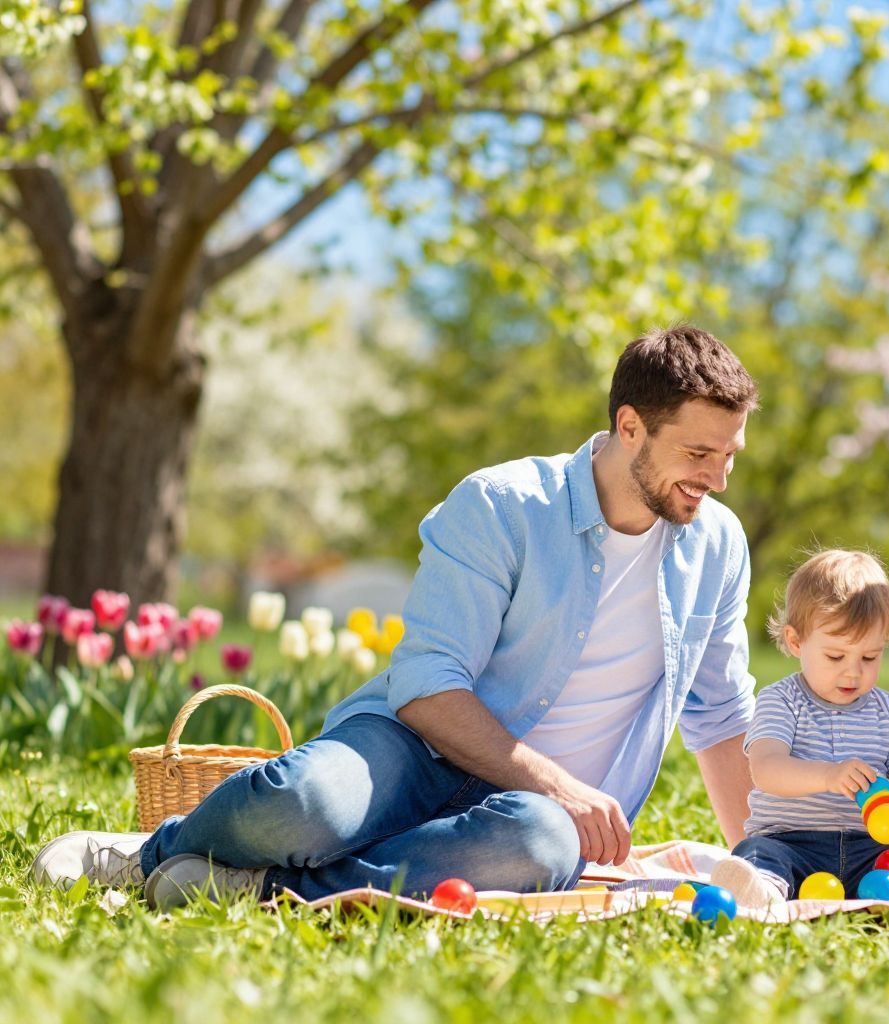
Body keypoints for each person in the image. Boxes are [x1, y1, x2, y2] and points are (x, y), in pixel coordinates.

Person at [32, 325, 762, 909]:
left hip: (535, 820)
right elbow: (426, 687)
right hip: (412, 750)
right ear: (629, 426)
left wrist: (764, 865)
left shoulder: (718, 546)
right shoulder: (504, 505)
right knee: (301, 801)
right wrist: (559, 783)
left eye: (729, 455)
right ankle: (152, 853)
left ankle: (265, 891)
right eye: (698, 452)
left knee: (538, 849)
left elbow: (722, 718)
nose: (717, 478)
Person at [709, 550, 889, 911]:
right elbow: (766, 770)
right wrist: (827, 776)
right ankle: (762, 891)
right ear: (796, 642)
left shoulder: (888, 710)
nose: (853, 673)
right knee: (755, 852)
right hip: (793, 844)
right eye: (836, 657)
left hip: (869, 849)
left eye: (869, 657)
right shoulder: (781, 700)